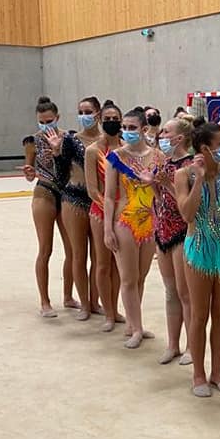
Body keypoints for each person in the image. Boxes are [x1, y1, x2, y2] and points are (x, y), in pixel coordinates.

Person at [175, 120, 220, 397]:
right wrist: (199, 179)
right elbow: (187, 215)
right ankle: (199, 373)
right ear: (205, 149)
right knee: (199, 314)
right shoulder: (183, 175)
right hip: (199, 249)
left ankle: (217, 371)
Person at [104, 107, 164, 349]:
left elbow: (162, 191)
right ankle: (136, 328)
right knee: (128, 278)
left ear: (144, 129)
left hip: (150, 221)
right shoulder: (116, 157)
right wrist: (107, 229)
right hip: (124, 221)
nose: (127, 131)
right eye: (125, 128)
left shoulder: (158, 156)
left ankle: (133, 323)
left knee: (141, 276)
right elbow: (109, 196)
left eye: (132, 128)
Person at [21, 96, 76, 317]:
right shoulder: (32, 141)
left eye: (49, 121)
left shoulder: (69, 138)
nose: (46, 125)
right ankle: (45, 302)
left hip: (66, 193)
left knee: (72, 249)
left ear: (57, 117)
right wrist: (29, 173)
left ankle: (68, 296)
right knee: (46, 249)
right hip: (44, 192)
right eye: (42, 122)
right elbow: (29, 172)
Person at [49, 95, 102, 320]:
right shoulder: (71, 140)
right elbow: (61, 175)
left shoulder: (107, 141)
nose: (84, 116)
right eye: (80, 112)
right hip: (74, 200)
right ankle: (84, 305)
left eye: (88, 112)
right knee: (79, 255)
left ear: (98, 113)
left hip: (99, 201)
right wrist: (56, 153)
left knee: (99, 257)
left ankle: (95, 301)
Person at [153, 116, 195, 365]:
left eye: (166, 132)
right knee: (170, 292)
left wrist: (167, 184)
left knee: (185, 292)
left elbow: (188, 207)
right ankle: (172, 344)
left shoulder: (190, 167)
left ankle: (191, 346)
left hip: (182, 231)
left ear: (179, 138)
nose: (161, 136)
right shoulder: (164, 163)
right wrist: (154, 185)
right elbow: (160, 200)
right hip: (162, 231)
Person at [85, 100, 124, 332]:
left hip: (125, 212)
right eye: (107, 119)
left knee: (118, 265)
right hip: (101, 211)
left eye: (114, 119)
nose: (111, 122)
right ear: (100, 121)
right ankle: (107, 313)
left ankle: (115, 308)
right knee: (102, 263)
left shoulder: (127, 149)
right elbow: (92, 190)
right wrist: (110, 211)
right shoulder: (93, 151)